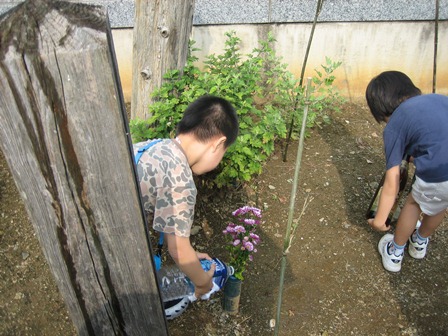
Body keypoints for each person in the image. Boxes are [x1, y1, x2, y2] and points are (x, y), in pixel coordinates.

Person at [133, 95, 239, 296]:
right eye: (223, 152)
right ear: (218, 144)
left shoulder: (158, 145)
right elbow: (178, 250)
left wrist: (191, 257)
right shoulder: (180, 179)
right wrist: (203, 284)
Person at [365, 70, 448, 272]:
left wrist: (379, 220)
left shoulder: (395, 124)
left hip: (438, 173)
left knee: (414, 203)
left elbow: (392, 180)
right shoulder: (438, 99)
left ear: (381, 111)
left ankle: (395, 252)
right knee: (438, 205)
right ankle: (419, 243)